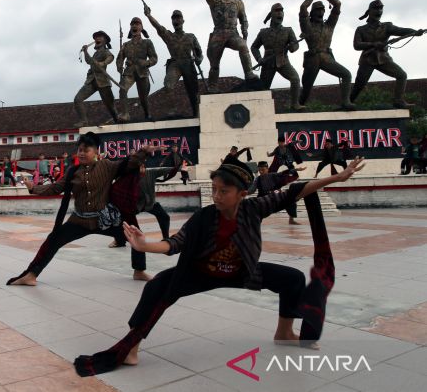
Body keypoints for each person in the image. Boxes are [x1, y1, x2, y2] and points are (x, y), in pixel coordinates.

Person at [73, 156, 366, 376]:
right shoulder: (204, 217)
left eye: (223, 191)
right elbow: (176, 243)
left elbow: (296, 191)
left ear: (242, 193)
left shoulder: (255, 208)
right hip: (200, 273)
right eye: (214, 189)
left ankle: (284, 333)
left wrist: (337, 178)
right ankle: (132, 346)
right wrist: (145, 245)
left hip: (243, 272)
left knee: (291, 279)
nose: (216, 196)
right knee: (158, 286)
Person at [6, 132, 154, 285]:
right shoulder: (73, 171)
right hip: (79, 220)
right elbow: (56, 188)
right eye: (80, 150)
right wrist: (33, 188)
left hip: (104, 219)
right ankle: (31, 275)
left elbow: (128, 163)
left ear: (96, 151)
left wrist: (144, 152)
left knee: (135, 233)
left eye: (86, 150)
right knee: (53, 240)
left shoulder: (107, 166)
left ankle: (139, 271)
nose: (82, 153)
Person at [351, 0, 424, 108]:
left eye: (381, 9)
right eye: (376, 8)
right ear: (369, 11)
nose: (379, 11)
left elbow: (401, 31)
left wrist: (414, 32)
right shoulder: (361, 29)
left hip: (383, 59)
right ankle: (347, 103)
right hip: (367, 60)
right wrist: (374, 44)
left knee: (401, 75)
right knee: (359, 84)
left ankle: (398, 100)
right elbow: (357, 45)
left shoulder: (387, 26)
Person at [200, 0, 258, 91]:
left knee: (243, 47)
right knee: (214, 63)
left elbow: (243, 18)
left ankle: (249, 73)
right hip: (218, 33)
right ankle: (213, 86)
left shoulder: (238, 3)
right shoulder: (214, 1)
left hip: (233, 33)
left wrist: (244, 28)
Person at [298, 0, 355, 110]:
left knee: (346, 75)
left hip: (326, 57)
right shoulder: (306, 25)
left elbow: (337, 4)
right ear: (312, 13)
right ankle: (298, 105)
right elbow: (303, 7)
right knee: (307, 88)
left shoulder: (329, 25)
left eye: (322, 10)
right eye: (317, 10)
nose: (320, 12)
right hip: (312, 58)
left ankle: (345, 102)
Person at [144, 5, 203, 117]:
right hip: (175, 63)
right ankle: (172, 111)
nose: (176, 20)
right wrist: (149, 15)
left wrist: (199, 59)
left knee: (193, 92)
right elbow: (158, 27)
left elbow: (199, 53)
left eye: (178, 17)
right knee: (168, 85)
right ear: (172, 21)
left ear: (182, 20)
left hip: (188, 64)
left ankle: (196, 113)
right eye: (174, 18)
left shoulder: (191, 37)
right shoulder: (169, 36)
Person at [250, 3, 304, 111]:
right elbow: (254, 47)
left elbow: (295, 45)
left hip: (282, 60)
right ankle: (260, 108)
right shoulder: (263, 32)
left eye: (281, 11)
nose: (280, 13)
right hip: (267, 62)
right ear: (272, 15)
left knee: (295, 78)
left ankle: (295, 104)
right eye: (277, 11)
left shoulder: (288, 30)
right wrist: (259, 59)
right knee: (263, 88)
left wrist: (293, 47)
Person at [116, 17, 158, 121]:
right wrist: (119, 66)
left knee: (143, 97)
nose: (134, 26)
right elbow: (119, 59)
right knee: (122, 89)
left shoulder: (147, 43)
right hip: (129, 72)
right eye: (132, 24)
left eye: (137, 24)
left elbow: (154, 58)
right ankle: (125, 114)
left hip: (142, 72)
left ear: (141, 27)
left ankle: (147, 113)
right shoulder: (125, 45)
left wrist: (146, 63)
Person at [75, 30, 120, 127]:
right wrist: (86, 51)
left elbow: (110, 57)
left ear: (105, 41)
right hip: (91, 80)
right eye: (96, 37)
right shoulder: (95, 54)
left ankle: (118, 120)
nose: (97, 39)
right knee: (78, 99)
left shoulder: (105, 51)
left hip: (103, 81)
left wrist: (103, 63)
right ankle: (84, 121)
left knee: (110, 105)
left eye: (100, 37)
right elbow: (89, 61)